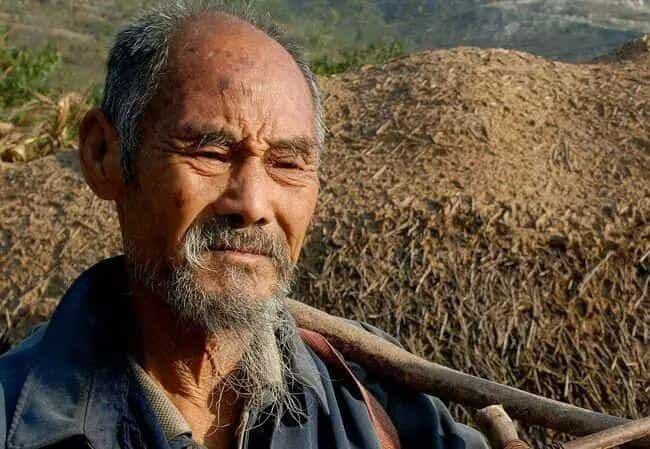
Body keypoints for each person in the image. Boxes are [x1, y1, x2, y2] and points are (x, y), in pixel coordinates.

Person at [0, 2, 490, 449]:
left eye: (288, 164)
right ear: (103, 155)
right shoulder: (18, 421)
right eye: (210, 153)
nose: (252, 204)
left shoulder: (374, 400)